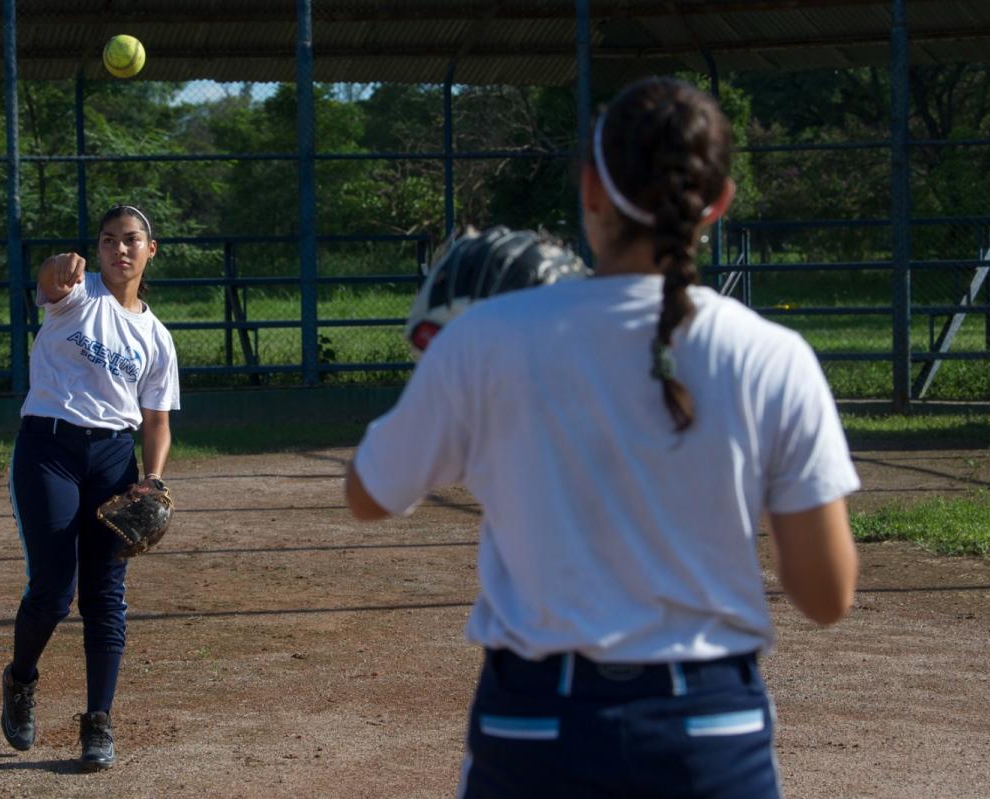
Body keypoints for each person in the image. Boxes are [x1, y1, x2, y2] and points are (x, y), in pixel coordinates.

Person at [344, 77, 859, 798]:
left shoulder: (488, 340)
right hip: (708, 730)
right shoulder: (772, 355)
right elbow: (827, 595)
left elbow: (368, 495)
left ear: (590, 187)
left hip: (536, 725)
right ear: (718, 203)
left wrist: (450, 369)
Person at [2, 204, 180, 772]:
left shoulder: (157, 336)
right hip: (48, 450)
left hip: (112, 459)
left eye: (131, 240)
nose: (119, 249)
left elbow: (156, 421)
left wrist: (152, 477)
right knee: (53, 590)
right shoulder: (79, 294)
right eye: (108, 240)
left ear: (151, 250)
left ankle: (98, 722)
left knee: (105, 595)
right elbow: (51, 281)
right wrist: (57, 265)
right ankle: (21, 679)